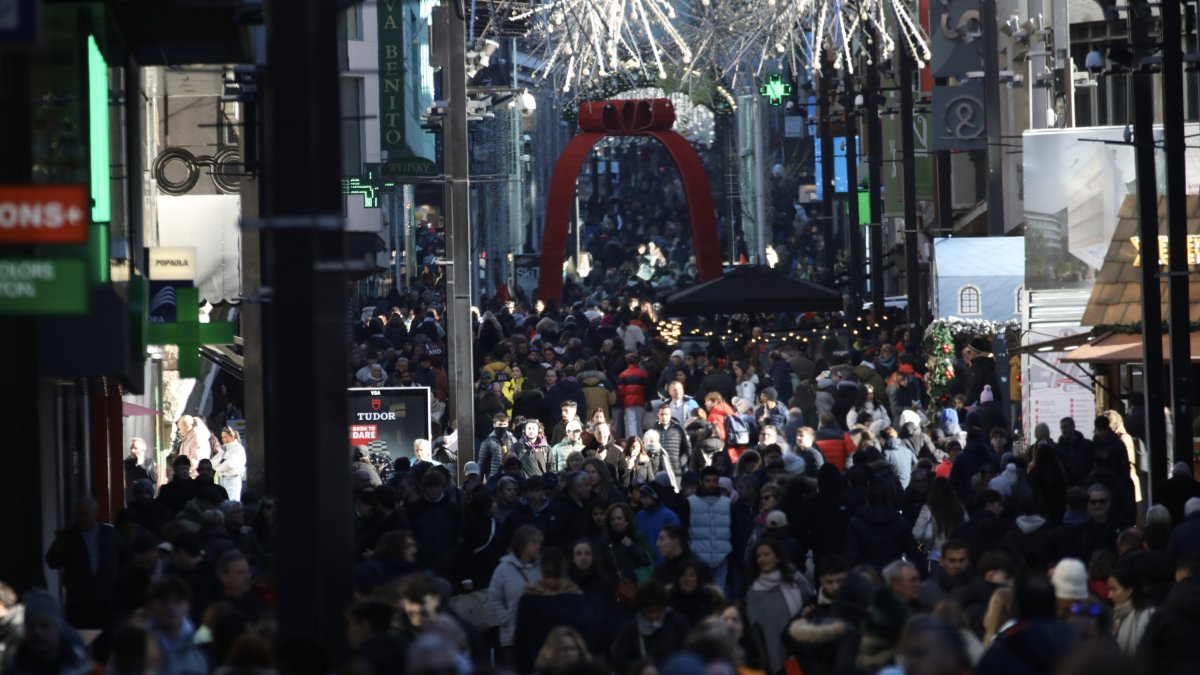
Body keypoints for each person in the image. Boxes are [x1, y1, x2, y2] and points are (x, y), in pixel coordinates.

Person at [44, 497, 123, 629]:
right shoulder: (68, 536)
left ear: (95, 514)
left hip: (106, 598)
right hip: (79, 600)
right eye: (78, 514)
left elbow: (125, 556)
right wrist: (57, 550)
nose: (81, 518)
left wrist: (117, 580)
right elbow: (52, 562)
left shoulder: (109, 534)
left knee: (105, 641)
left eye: (85, 514)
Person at [746, 539, 806, 673]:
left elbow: (809, 606)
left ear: (778, 557)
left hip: (794, 649)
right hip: (770, 652)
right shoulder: (754, 591)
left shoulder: (796, 581)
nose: (762, 559)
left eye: (766, 554)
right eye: (759, 556)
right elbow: (752, 625)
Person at [3, 590, 95, 675]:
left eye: (44, 625)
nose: (37, 632)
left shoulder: (86, 669)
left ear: (58, 628)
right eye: (31, 626)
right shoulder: (14, 665)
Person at [488, 525, 543, 668]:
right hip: (512, 636)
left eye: (539, 542)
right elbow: (494, 598)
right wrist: (506, 619)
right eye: (534, 542)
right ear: (522, 545)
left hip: (539, 635)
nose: (538, 546)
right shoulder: (503, 569)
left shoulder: (543, 567)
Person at [610, 581, 691, 673]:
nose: (653, 615)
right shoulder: (631, 630)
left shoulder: (677, 622)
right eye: (649, 611)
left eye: (657, 610)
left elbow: (689, 652)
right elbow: (620, 661)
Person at [684, 466, 734, 590]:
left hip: (721, 556)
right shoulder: (689, 503)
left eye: (714, 481)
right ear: (701, 481)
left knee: (717, 595)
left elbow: (734, 529)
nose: (711, 484)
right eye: (708, 480)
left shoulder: (727, 504)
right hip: (698, 556)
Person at [212, 426, 247, 502]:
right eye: (222, 437)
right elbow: (212, 462)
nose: (223, 439)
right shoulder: (223, 449)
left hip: (232, 480)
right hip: (222, 479)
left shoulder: (238, 449)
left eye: (225, 437)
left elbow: (230, 464)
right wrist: (220, 463)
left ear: (232, 436)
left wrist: (218, 468)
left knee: (232, 503)